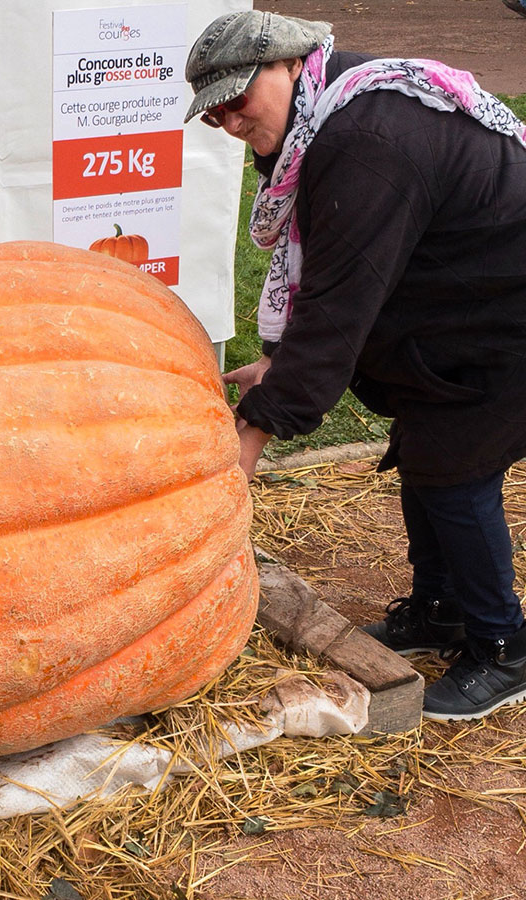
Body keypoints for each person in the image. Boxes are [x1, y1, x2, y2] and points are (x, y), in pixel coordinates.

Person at [185, 10, 526, 722]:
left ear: (287, 65)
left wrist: (251, 437)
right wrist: (279, 359)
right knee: (426, 457)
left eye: (237, 100)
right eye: (213, 114)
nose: (229, 121)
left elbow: (340, 302)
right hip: (461, 301)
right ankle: (441, 612)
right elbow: (329, 266)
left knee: (456, 475)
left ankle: (503, 647)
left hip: (506, 315)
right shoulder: (328, 111)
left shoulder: (366, 141)